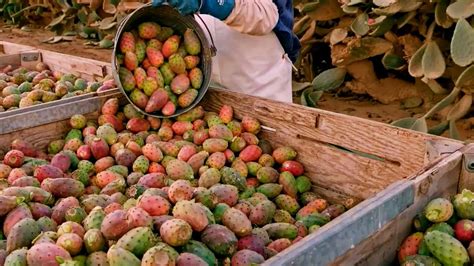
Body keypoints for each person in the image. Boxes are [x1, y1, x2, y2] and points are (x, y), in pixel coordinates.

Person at [151, 0, 301, 103]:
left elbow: (266, 16)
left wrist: (213, 2)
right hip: (198, 70)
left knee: (268, 135)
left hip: (255, 69)